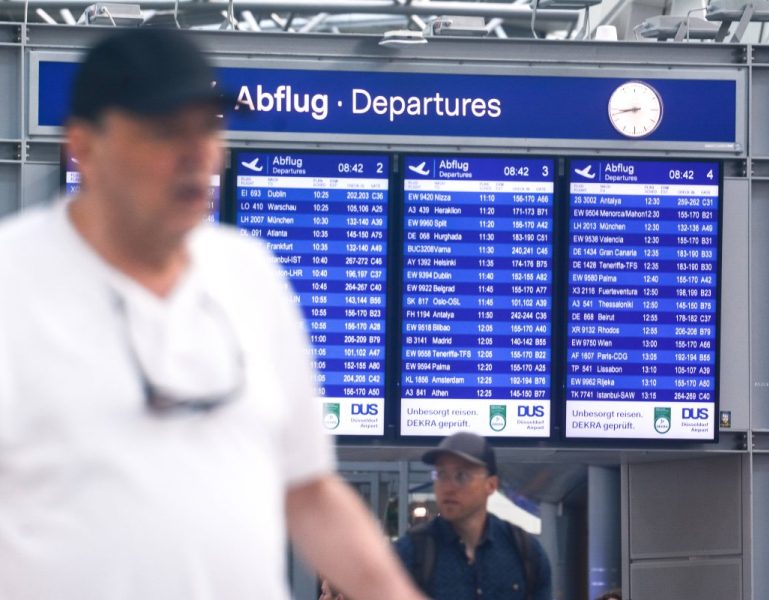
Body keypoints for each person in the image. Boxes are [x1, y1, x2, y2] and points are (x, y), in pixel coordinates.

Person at [0, 28, 425, 600]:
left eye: (208, 128)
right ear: (84, 148)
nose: (196, 153)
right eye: (164, 132)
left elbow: (307, 492)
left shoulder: (249, 276)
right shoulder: (15, 284)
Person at [321, 431, 552, 600]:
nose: (448, 486)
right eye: (441, 475)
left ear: (491, 485)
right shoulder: (411, 553)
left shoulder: (524, 552)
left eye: (461, 476)